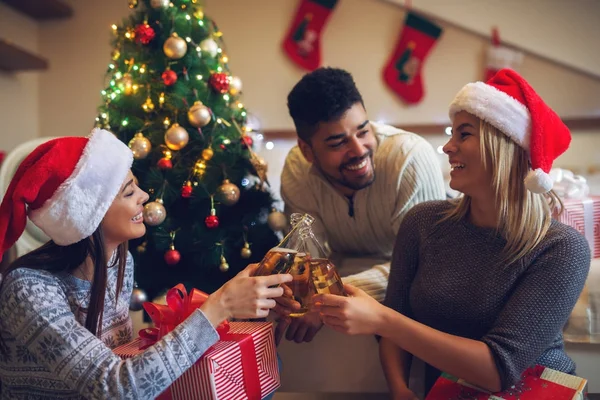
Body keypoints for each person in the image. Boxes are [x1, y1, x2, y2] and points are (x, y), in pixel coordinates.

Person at [313, 69, 591, 398]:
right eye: (451, 133)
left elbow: (498, 370)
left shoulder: (560, 248)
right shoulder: (423, 224)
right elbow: (397, 318)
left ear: (502, 145)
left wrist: (382, 320)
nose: (447, 147)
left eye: (464, 134)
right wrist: (399, 389)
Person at [0, 129, 292, 399]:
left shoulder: (118, 260)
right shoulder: (29, 289)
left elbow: (124, 360)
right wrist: (220, 306)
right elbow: (116, 389)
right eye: (129, 192)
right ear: (89, 213)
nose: (144, 197)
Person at [277, 67, 446, 343]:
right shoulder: (296, 170)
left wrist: (329, 298)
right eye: (337, 143)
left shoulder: (410, 158)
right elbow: (306, 261)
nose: (359, 150)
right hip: (344, 275)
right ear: (307, 151)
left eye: (363, 131)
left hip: (414, 287)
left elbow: (426, 264)